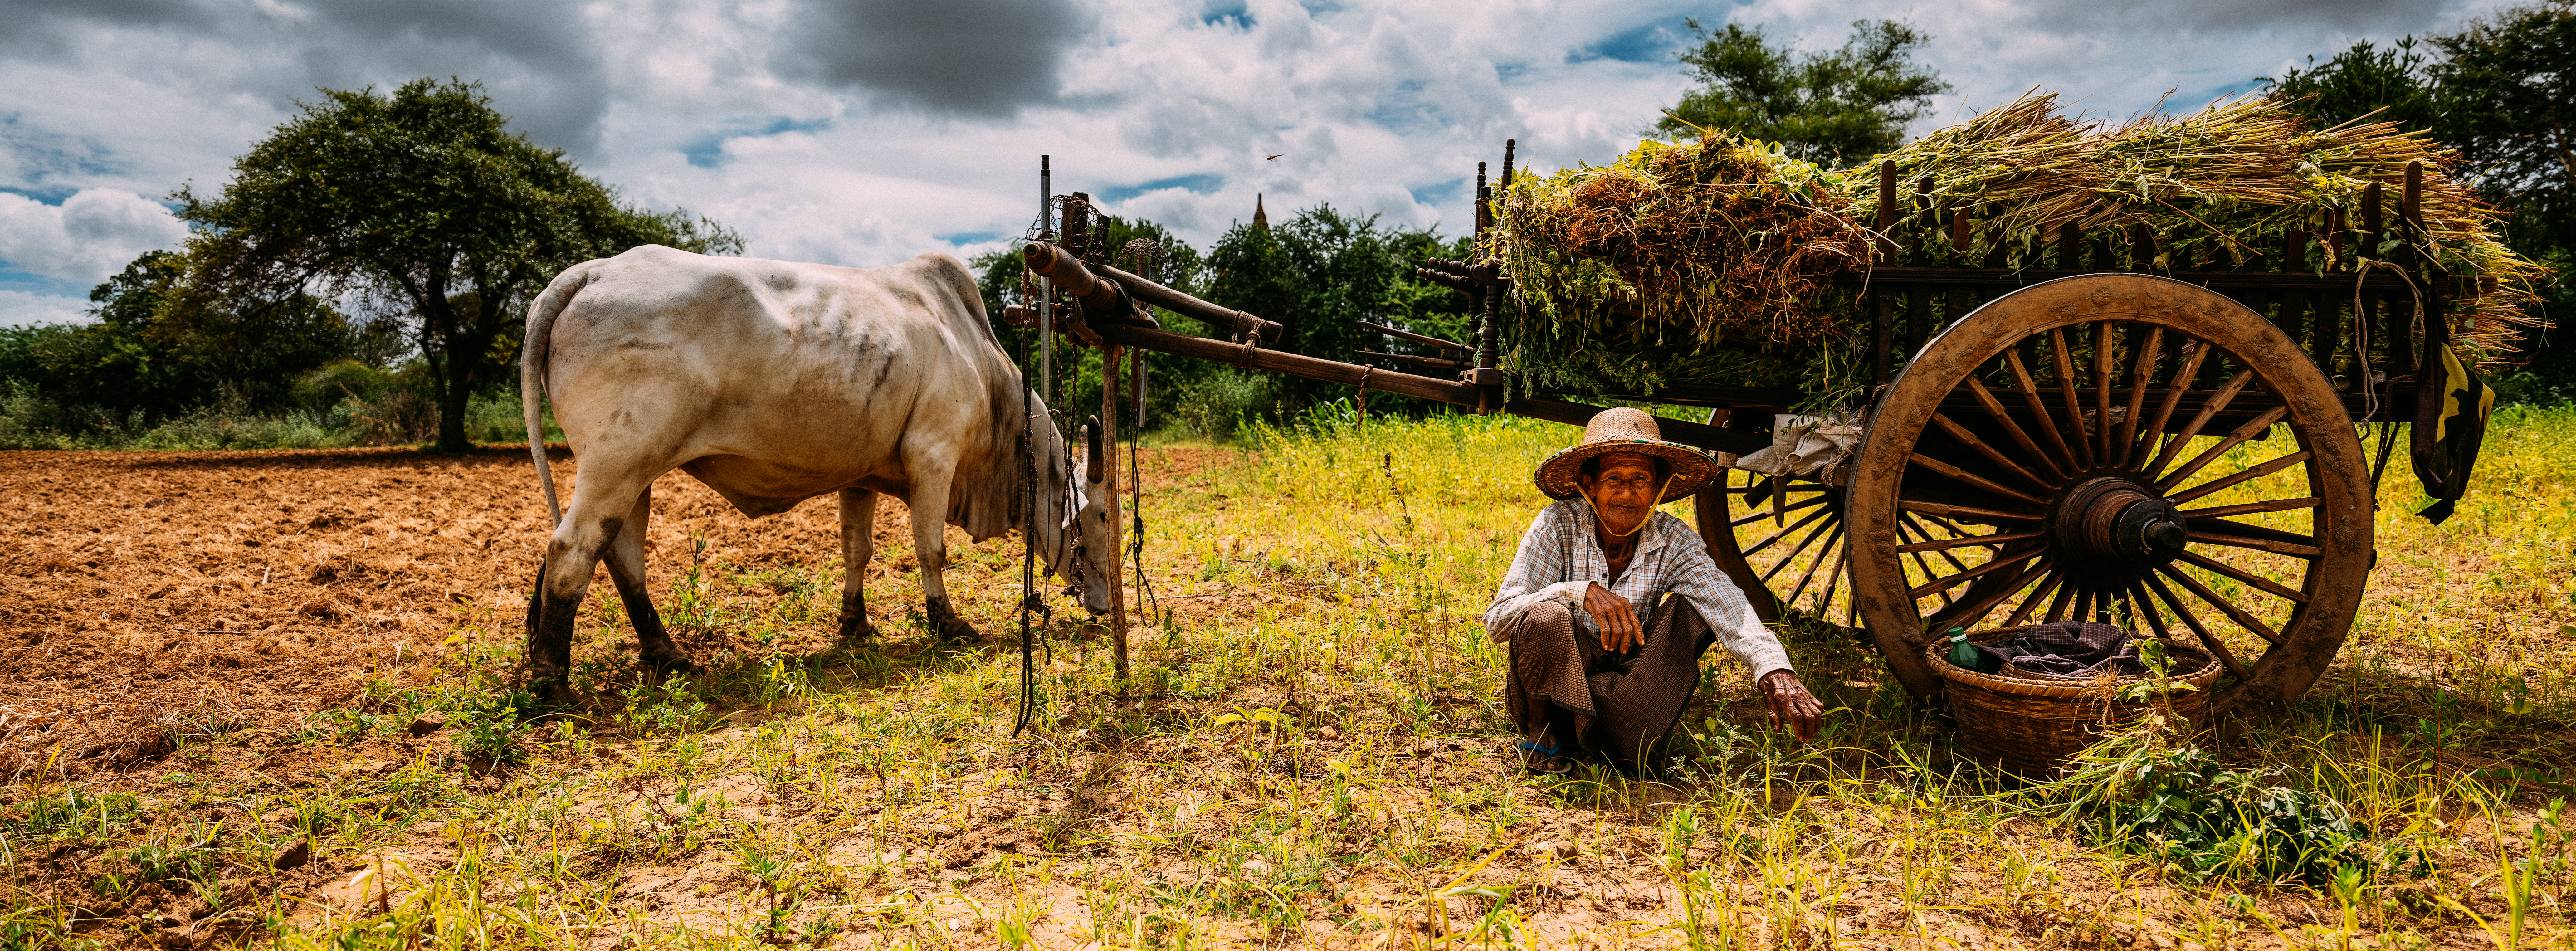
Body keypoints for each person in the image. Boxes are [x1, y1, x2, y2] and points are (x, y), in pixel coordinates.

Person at [1485, 407, 1823, 773]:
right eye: (1613, 478)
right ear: (1590, 484)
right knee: (1546, 613)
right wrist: (1577, 591)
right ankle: (1546, 731)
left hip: (1622, 689)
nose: (1627, 494)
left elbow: (1728, 604)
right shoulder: (1557, 524)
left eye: (1640, 480)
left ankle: (1619, 737)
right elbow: (1499, 620)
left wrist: (1773, 669)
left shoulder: (1674, 540)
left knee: (1693, 611)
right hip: (1548, 691)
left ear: (1659, 488)